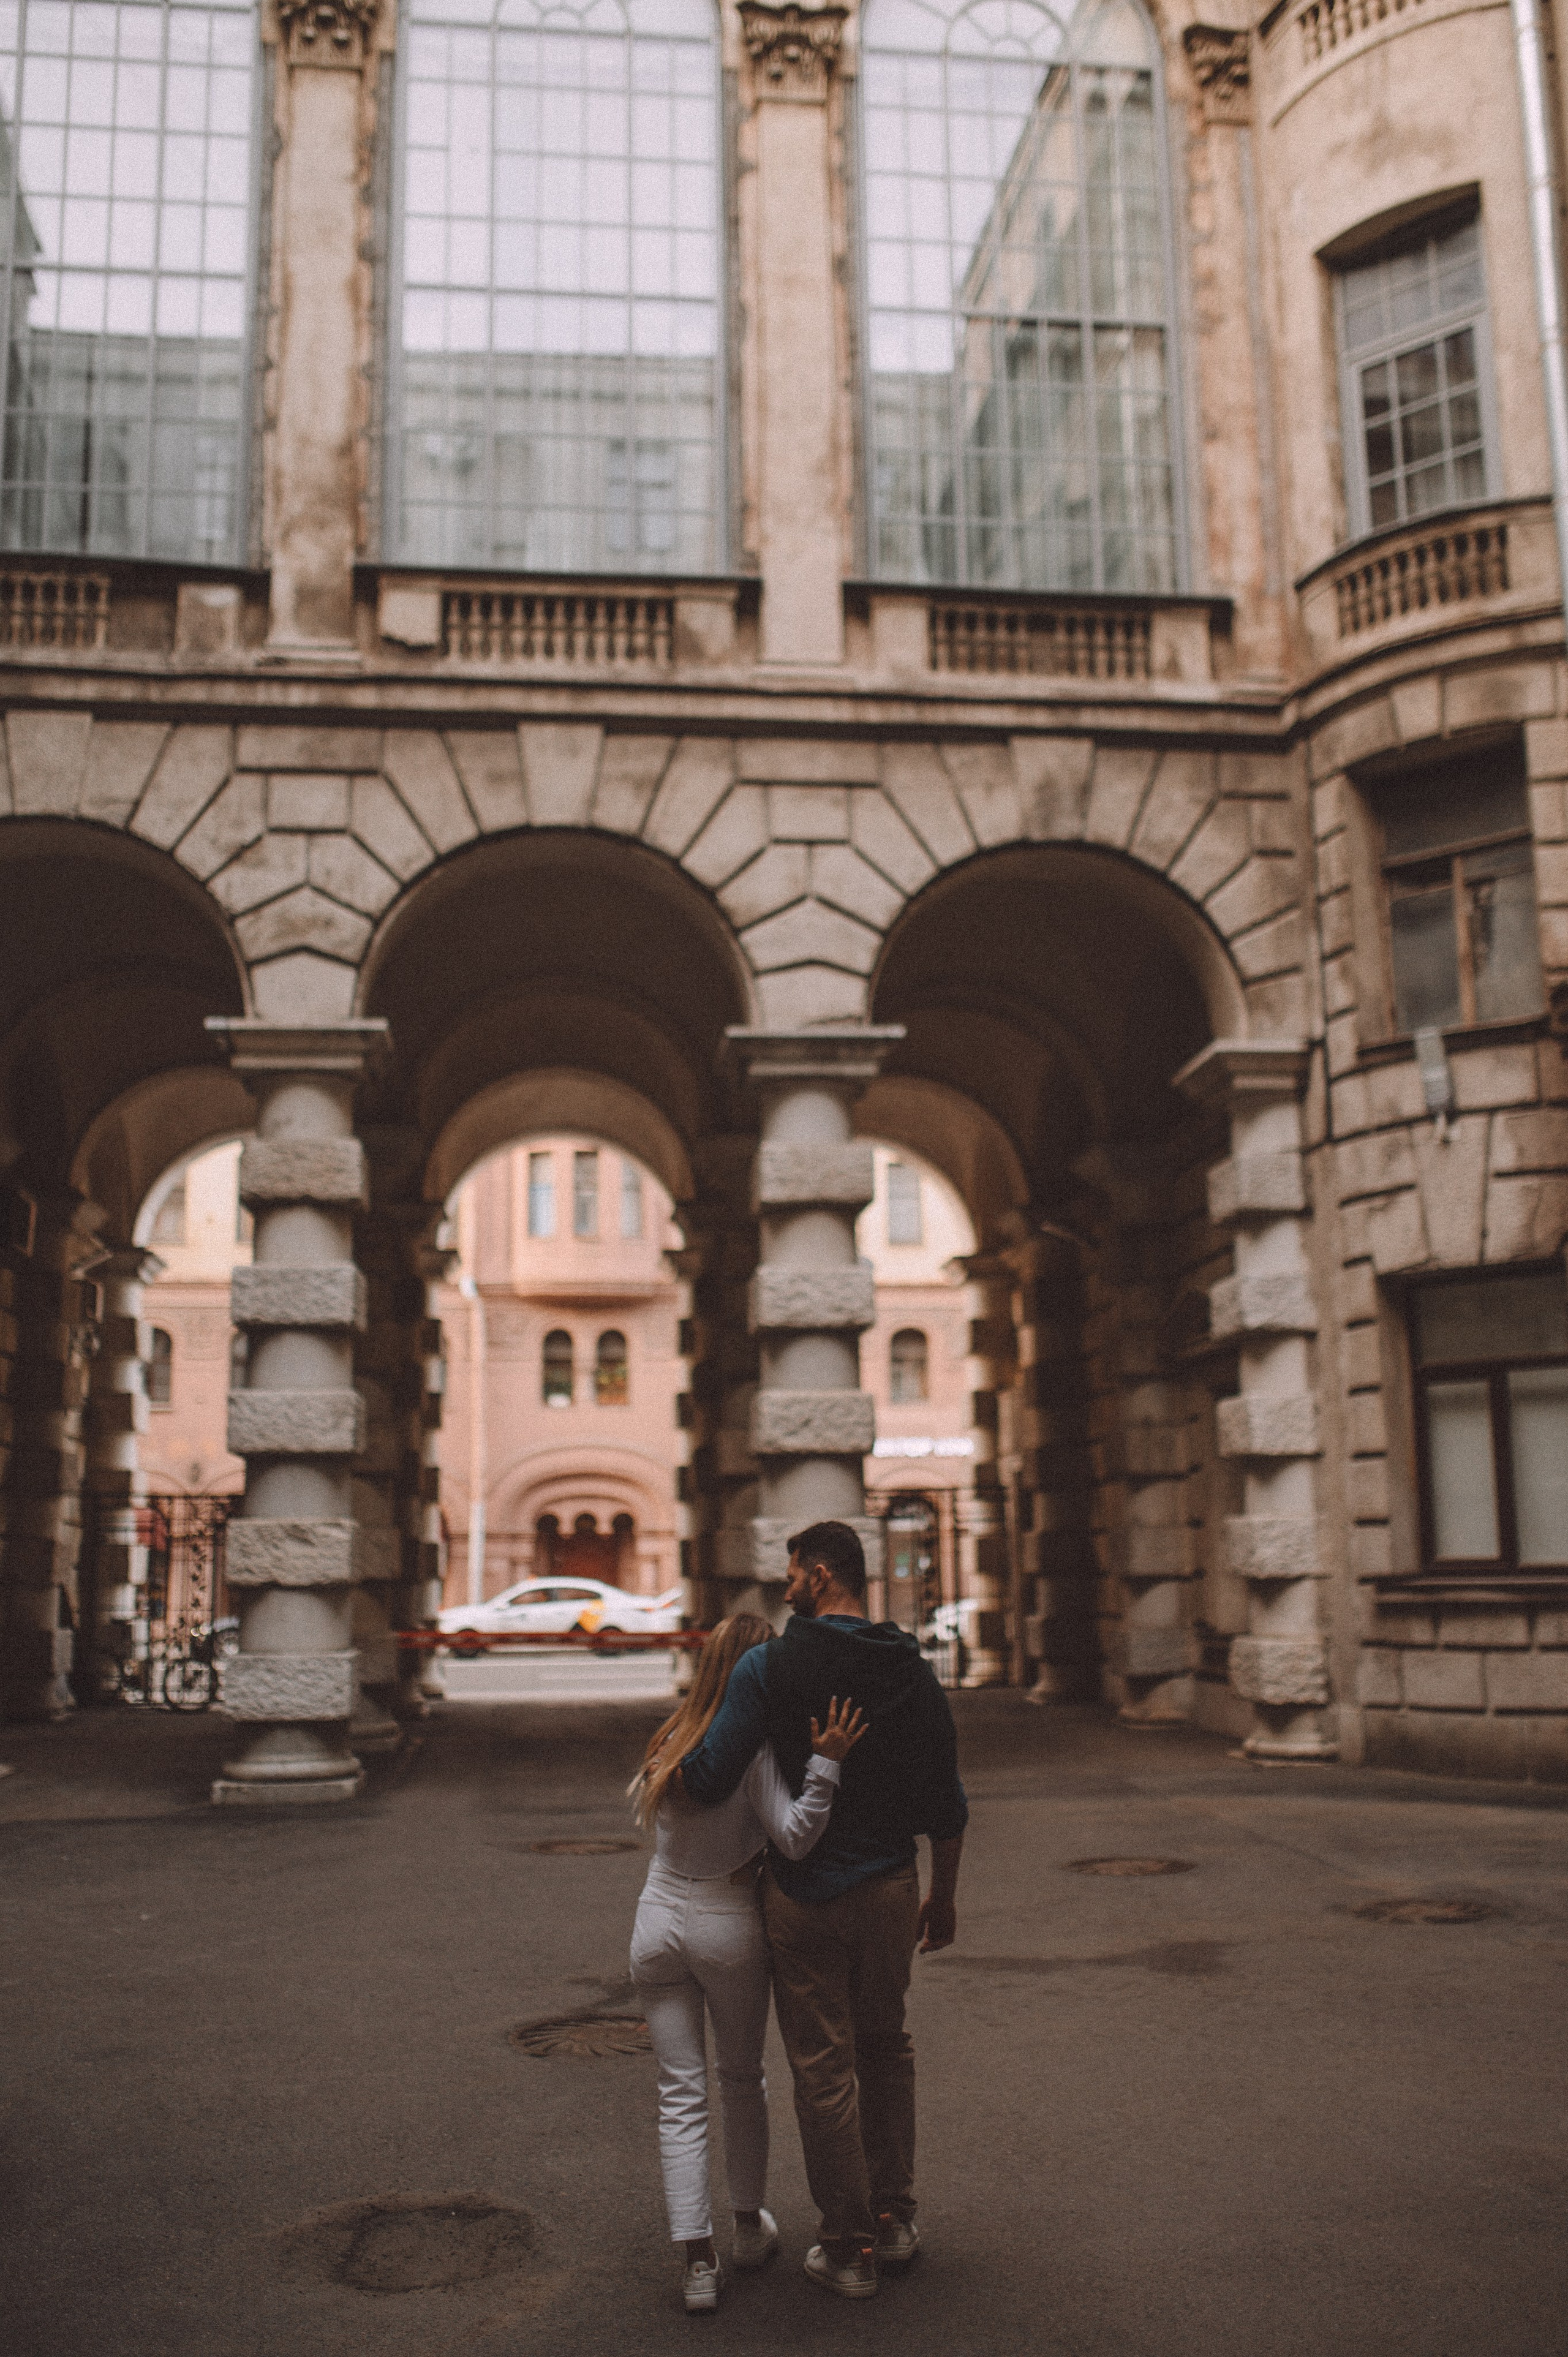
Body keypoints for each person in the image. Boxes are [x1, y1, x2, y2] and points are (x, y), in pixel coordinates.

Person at [679, 1520, 968, 2301]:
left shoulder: (769, 1664)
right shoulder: (906, 1663)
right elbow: (945, 1795)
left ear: (820, 1572)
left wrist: (669, 1762)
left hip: (802, 1897)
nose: (787, 1586)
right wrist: (942, 1894)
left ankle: (847, 2247)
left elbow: (711, 1774)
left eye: (793, 1572)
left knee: (822, 2070)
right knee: (886, 2047)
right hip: (887, 1888)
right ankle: (895, 2218)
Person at [628, 1612, 867, 2314]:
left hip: (655, 1918)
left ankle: (696, 2261)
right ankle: (745, 2227)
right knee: (740, 2076)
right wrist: (826, 1762)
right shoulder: (752, 1751)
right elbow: (794, 1838)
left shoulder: (671, 1737)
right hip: (727, 1922)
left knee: (680, 2093)